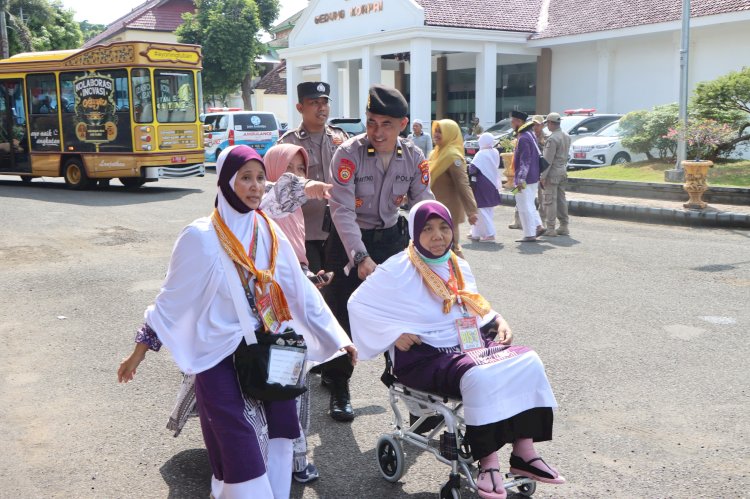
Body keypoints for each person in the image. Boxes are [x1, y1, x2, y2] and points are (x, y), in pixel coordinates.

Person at [117, 145, 356, 499]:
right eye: (245, 178)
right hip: (218, 356)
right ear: (226, 182)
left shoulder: (269, 231)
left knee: (281, 435)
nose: (256, 186)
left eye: (260, 178)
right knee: (240, 452)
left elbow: (300, 291)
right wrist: (139, 352)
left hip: (274, 348)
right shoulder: (199, 237)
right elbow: (171, 301)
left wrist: (338, 338)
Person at [349, 200, 564, 499]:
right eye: (427, 229)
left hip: (468, 345)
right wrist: (393, 334)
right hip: (424, 356)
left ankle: (524, 453)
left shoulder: (457, 264)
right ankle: (488, 461)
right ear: (413, 232)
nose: (438, 236)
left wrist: (497, 320)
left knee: (529, 361)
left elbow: (473, 304)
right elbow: (357, 305)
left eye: (444, 228)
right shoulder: (397, 269)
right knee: (481, 376)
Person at [321, 84, 434, 422]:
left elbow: (423, 204)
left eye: (386, 124)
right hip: (346, 243)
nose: (377, 132)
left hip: (390, 241)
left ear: (403, 124)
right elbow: (341, 210)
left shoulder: (414, 157)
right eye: (371, 122)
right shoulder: (348, 154)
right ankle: (338, 384)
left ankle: (411, 395)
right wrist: (359, 256)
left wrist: (440, 244)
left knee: (401, 316)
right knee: (342, 315)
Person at [261, 143, 332, 484]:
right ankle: (279, 461)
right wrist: (306, 185)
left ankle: (293, 459)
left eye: (302, 168)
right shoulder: (264, 199)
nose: (296, 174)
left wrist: (309, 276)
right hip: (270, 307)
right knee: (279, 379)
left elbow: (296, 259)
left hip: (293, 301)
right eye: (288, 167)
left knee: (294, 380)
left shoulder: (295, 210)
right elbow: (280, 192)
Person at [278, 81, 348, 274]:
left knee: (338, 290)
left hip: (339, 231)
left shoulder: (341, 139)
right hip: (305, 233)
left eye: (325, 102)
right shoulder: (288, 143)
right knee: (314, 288)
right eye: (314, 102)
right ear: (300, 107)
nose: (321, 108)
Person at [429, 119, 478, 257]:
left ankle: (459, 275)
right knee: (436, 247)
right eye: (436, 131)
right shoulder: (436, 153)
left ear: (450, 134)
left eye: (441, 131)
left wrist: (472, 210)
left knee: (451, 247)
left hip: (448, 210)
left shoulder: (453, 156)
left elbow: (463, 184)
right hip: (434, 207)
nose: (436, 134)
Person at [510, 111, 545, 243]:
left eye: (513, 121)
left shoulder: (524, 137)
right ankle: (538, 226)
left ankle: (529, 234)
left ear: (519, 122)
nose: (511, 123)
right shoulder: (530, 135)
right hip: (533, 176)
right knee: (529, 203)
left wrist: (520, 179)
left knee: (524, 206)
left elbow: (525, 161)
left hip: (525, 177)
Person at [540, 112, 572, 237]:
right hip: (563, 170)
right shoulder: (566, 136)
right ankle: (564, 225)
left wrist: (542, 177)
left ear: (551, 123)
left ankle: (551, 227)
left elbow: (547, 161)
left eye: (547, 123)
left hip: (552, 173)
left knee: (550, 200)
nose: (547, 125)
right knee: (561, 199)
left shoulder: (553, 138)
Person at [468, 132, 502, 242]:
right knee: (487, 209)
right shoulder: (495, 152)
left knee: (481, 209)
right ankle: (475, 233)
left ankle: (490, 234)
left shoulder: (481, 154)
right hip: (492, 182)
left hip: (482, 183)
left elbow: (473, 168)